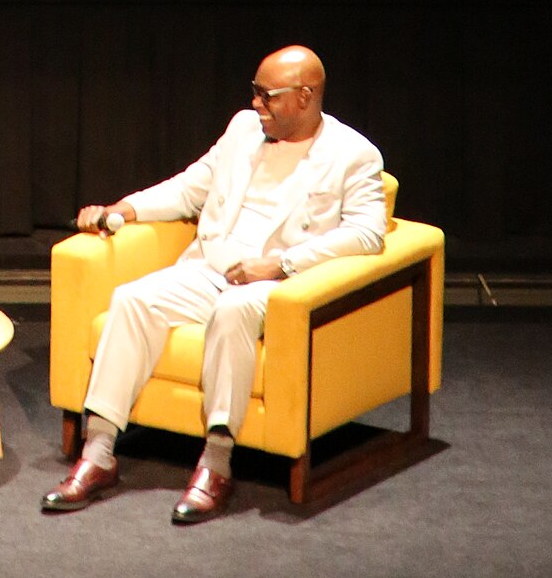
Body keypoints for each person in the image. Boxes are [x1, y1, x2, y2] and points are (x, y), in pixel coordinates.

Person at [42, 45, 385, 526]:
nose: (258, 105)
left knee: (234, 312)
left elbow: (368, 234)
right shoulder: (243, 129)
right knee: (133, 300)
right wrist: (123, 210)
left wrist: (280, 264)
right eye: (255, 93)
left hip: (278, 284)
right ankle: (99, 453)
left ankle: (217, 463)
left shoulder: (354, 154)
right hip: (211, 265)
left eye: (269, 96)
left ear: (306, 96)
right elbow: (188, 189)